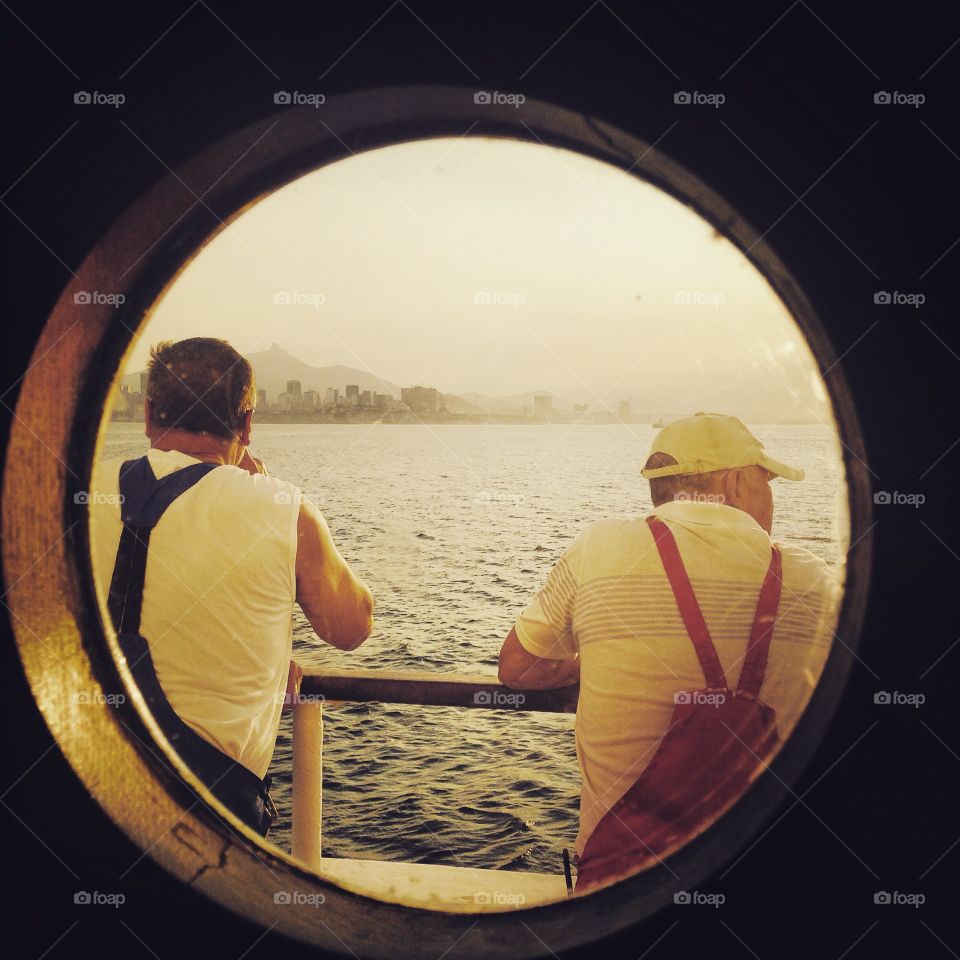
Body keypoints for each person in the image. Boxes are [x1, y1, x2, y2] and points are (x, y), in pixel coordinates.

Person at [498, 412, 838, 890]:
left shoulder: (599, 548)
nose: (770, 497)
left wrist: (587, 665)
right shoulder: (812, 579)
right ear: (735, 482)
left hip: (619, 882)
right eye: (766, 481)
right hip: (766, 878)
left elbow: (517, 668)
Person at [90, 337, 373, 833]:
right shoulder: (282, 508)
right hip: (211, 822)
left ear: (148, 414)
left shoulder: (70, 489)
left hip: (75, 785)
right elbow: (351, 627)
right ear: (246, 425)